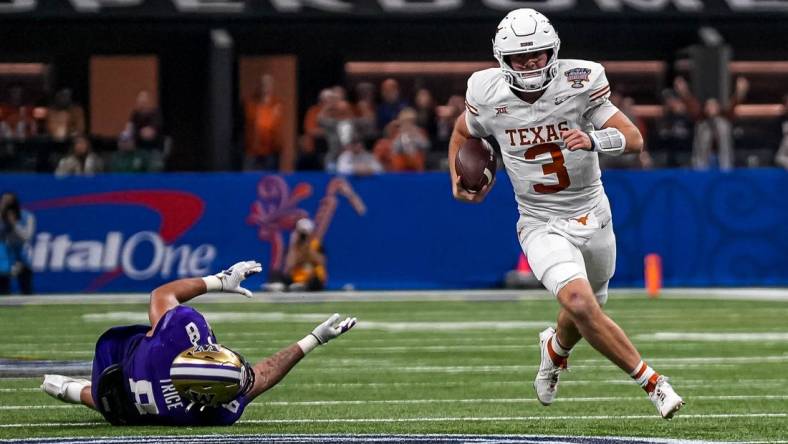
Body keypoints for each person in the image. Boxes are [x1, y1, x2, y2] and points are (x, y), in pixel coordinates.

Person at [448, 8, 684, 419]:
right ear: (502, 60)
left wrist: (593, 140)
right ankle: (652, 382)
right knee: (578, 300)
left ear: (553, 51)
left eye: (537, 54)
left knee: (585, 308)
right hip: (539, 220)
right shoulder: (486, 92)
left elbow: (634, 139)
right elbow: (462, 132)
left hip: (592, 212)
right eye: (520, 58)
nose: (530, 63)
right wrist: (458, 177)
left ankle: (554, 350)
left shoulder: (580, 81)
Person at [41, 260, 356, 426]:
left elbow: (161, 295)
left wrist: (218, 281)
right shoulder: (214, 414)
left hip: (119, 362)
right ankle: (71, 390)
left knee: (109, 396)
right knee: (116, 406)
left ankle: (71, 389)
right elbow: (261, 376)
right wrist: (312, 340)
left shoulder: (178, 333)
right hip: (131, 399)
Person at [0, 192, 35, 294]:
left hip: (22, 257)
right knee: (3, 291)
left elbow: (27, 237)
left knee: (27, 290)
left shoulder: (27, 216)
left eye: (9, 202)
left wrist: (14, 224)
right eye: (4, 201)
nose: (6, 205)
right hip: (4, 259)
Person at [283, 218, 328, 291]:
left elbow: (322, 262)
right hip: (296, 280)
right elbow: (289, 265)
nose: (303, 236)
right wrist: (293, 245)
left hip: (313, 282)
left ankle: (304, 286)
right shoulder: (293, 247)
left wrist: (307, 248)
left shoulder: (316, 245)